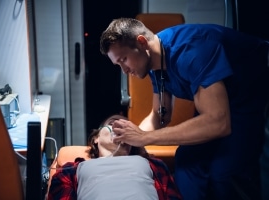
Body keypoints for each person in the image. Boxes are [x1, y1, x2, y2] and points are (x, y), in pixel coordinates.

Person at [99, 18, 269, 200]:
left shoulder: (191, 51)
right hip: (218, 104)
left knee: (224, 172)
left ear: (141, 42)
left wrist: (144, 138)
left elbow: (218, 122)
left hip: (251, 94)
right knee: (187, 160)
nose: (124, 70)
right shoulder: (153, 63)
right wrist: (131, 138)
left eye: (124, 59)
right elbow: (159, 115)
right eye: (118, 64)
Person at [47, 114, 181, 200]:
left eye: (126, 127)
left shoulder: (154, 166)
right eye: (112, 123)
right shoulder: (71, 171)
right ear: (96, 138)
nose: (118, 127)